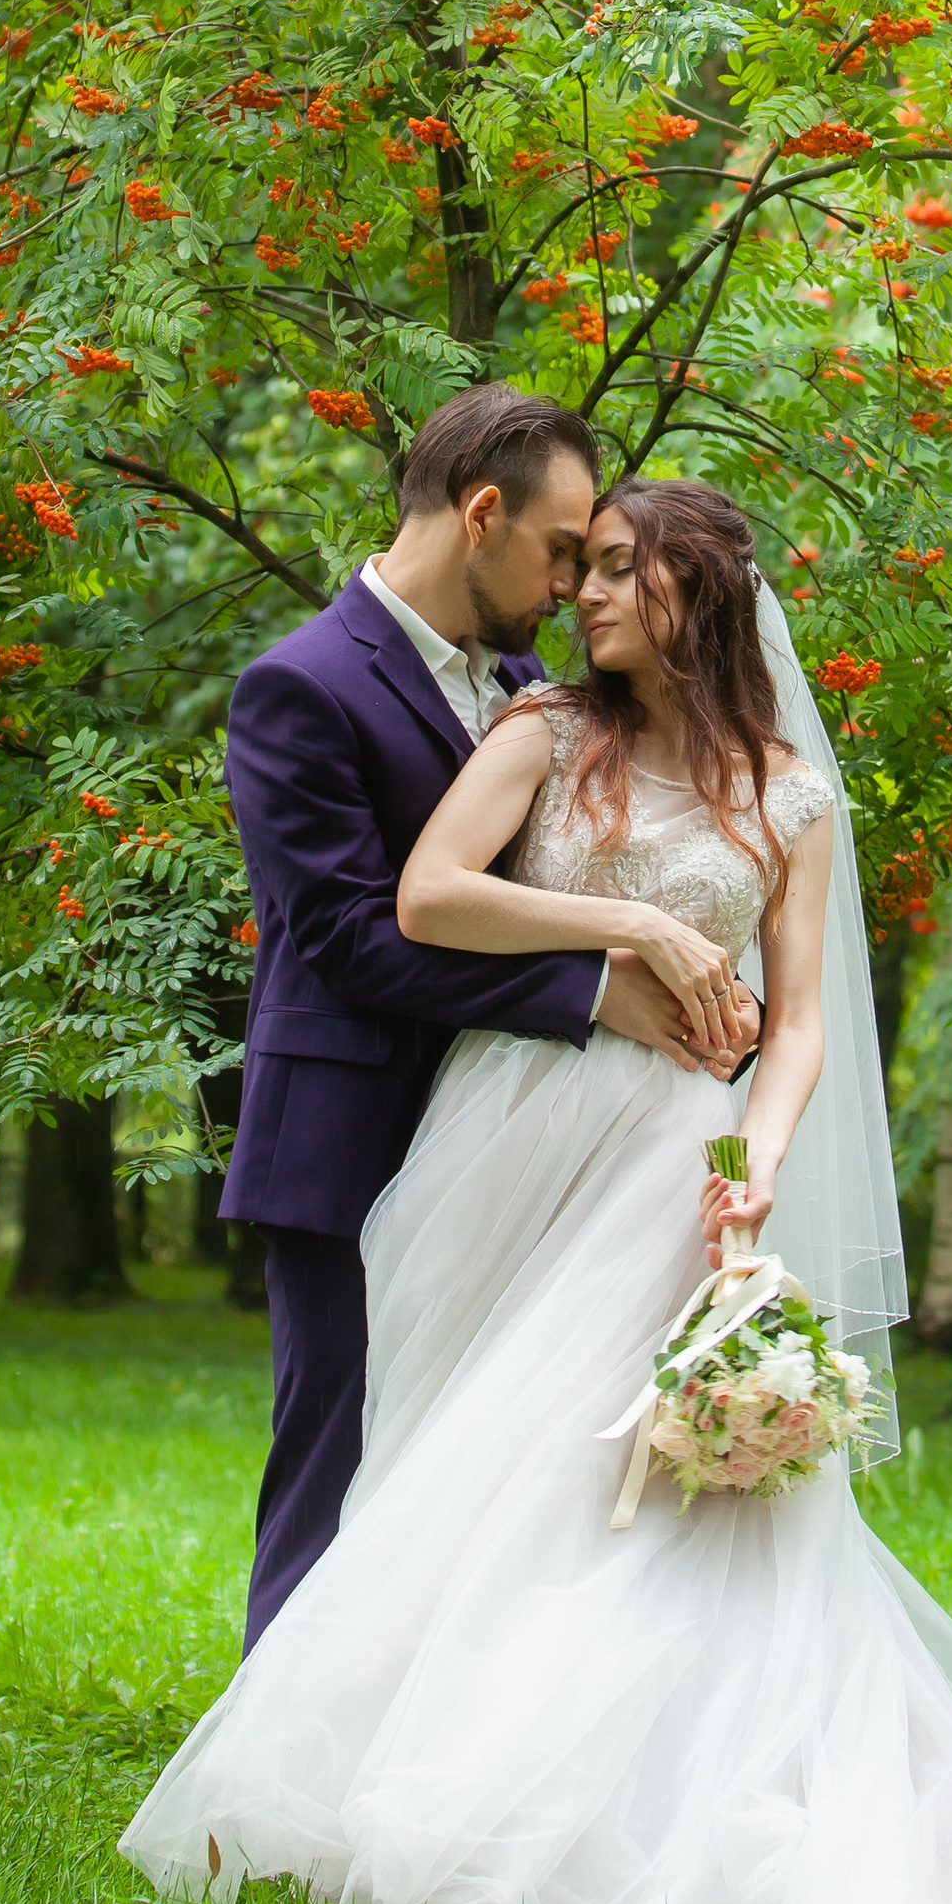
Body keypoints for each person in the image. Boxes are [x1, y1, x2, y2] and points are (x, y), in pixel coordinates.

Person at [128, 474, 952, 1904]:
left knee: (633, 1481)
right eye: (579, 565)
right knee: (475, 1450)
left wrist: (761, 1160)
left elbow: (798, 1025)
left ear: (697, 596)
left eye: (617, 572)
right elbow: (428, 896)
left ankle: (613, 1809)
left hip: (680, 1152)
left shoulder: (791, 793)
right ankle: (421, 1772)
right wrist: (637, 929)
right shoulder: (539, 735)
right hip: (508, 1131)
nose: (583, 595)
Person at [218, 386, 756, 1649]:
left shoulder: (528, 688)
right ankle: (261, 1775)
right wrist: (595, 989)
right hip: (349, 1133)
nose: (576, 586)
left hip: (516, 1140)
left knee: (479, 1470)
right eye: (566, 549)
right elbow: (352, 936)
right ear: (480, 515)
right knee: (340, 1455)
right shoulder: (298, 687)